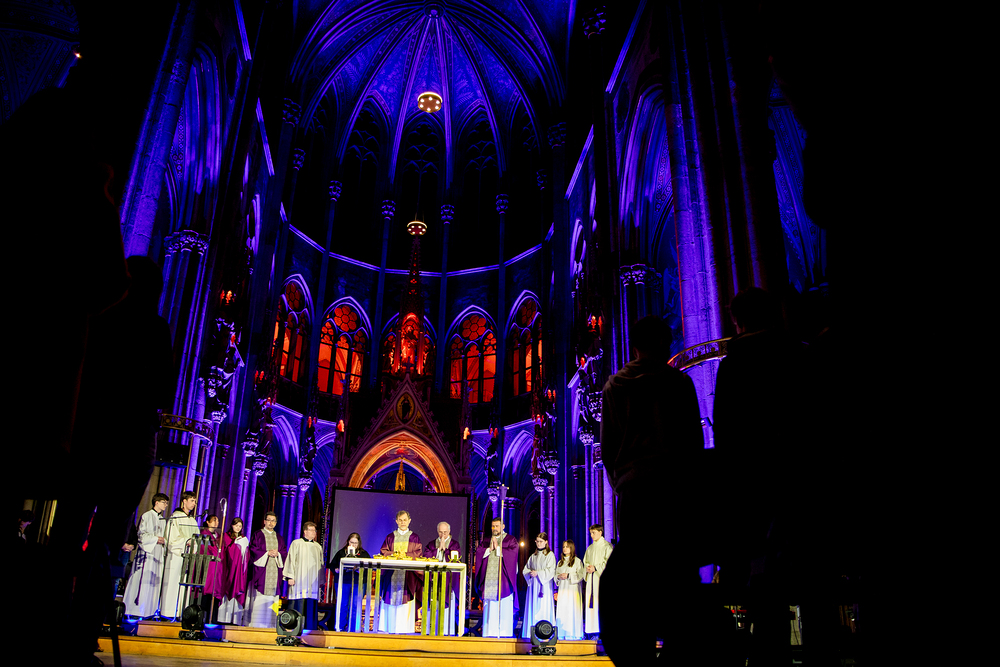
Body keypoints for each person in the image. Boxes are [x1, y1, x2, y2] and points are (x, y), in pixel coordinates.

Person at [123, 493, 168, 618]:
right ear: (156, 502)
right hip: (147, 553)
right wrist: (156, 539)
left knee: (154, 583)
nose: (166, 505)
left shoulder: (163, 520)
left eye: (166, 503)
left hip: (157, 554)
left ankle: (150, 610)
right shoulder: (147, 516)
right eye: (164, 502)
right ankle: (136, 610)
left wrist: (163, 540)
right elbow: (141, 535)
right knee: (142, 581)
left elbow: (165, 538)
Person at [378, 510, 422, 633]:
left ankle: (405, 628)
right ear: (396, 521)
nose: (403, 522)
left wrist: (404, 555)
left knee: (406, 600)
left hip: (407, 575)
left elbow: (418, 553)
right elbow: (383, 551)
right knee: (390, 598)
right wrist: (396, 554)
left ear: (409, 521)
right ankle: (389, 628)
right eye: (400, 520)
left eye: (405, 520)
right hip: (392, 575)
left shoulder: (414, 537)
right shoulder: (390, 537)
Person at [475, 518, 518, 637]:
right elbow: (479, 551)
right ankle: (489, 632)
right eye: (493, 526)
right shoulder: (486, 540)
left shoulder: (510, 539)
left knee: (503, 607)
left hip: (503, 581)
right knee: (490, 607)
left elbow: (513, 553)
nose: (494, 528)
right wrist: (489, 549)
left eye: (497, 526)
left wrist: (499, 548)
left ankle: (504, 634)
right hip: (489, 580)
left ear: (503, 526)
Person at [160, 491, 200, 620]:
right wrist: (185, 541)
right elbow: (171, 538)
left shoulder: (192, 520)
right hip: (176, 555)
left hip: (187, 556)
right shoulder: (176, 517)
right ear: (184, 501)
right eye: (192, 500)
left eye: (195, 501)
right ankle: (168, 613)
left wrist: (193, 545)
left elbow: (197, 538)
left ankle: (180, 613)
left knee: (183, 585)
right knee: (173, 583)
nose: (194, 503)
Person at [247, 512, 287, 628]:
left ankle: (270, 626)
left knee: (273, 599)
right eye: (269, 520)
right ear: (264, 521)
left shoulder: (279, 537)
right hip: (262, 572)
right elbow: (253, 549)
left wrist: (278, 554)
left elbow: (284, 552)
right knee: (259, 599)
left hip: (274, 572)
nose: (271, 523)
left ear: (276, 523)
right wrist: (266, 553)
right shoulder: (258, 534)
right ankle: (256, 625)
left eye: (273, 521)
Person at [423, 521, 462, 635]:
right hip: (434, 579)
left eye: (445, 532)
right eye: (440, 532)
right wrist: (438, 550)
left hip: (448, 581)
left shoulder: (455, 544)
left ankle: (447, 631)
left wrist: (445, 550)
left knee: (447, 606)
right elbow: (426, 557)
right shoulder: (431, 544)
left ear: (449, 531)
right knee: (433, 604)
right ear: (437, 531)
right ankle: (432, 631)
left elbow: (456, 559)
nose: (443, 535)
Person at [284, 522, 325, 630]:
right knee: (298, 604)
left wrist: (321, 580)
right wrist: (290, 576)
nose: (314, 533)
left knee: (310, 605)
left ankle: (310, 630)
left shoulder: (318, 547)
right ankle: (294, 628)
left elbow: (321, 564)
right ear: (305, 531)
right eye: (311, 530)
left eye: (315, 531)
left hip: (312, 583)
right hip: (299, 581)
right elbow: (291, 560)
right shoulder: (296, 543)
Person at [330, 532, 371, 631]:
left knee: (355, 606)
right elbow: (332, 565)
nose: (353, 545)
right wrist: (336, 570)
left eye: (355, 543)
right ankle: (340, 627)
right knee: (343, 605)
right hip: (343, 582)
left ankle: (353, 628)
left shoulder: (364, 554)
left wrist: (361, 570)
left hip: (358, 583)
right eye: (351, 542)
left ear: (359, 543)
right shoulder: (341, 553)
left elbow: (369, 567)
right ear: (348, 542)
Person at [521, 532, 555, 638]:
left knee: (543, 607)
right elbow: (525, 569)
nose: (539, 543)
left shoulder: (550, 555)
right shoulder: (533, 556)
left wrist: (538, 573)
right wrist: (530, 573)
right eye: (537, 541)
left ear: (546, 542)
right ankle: (531, 634)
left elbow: (551, 570)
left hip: (544, 586)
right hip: (533, 586)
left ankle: (545, 633)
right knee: (533, 607)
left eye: (541, 541)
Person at [582, 524, 612, 638]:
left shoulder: (607, 546)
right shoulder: (590, 548)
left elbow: (608, 563)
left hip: (601, 579)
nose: (591, 535)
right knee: (592, 605)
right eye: (590, 533)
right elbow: (585, 562)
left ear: (600, 532)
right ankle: (592, 631)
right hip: (591, 580)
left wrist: (596, 568)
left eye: (593, 533)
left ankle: (602, 631)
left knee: (601, 604)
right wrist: (588, 568)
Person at [219, 517, 250, 625]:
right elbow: (226, 551)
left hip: (239, 569)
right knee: (228, 588)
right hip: (229, 569)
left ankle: (235, 620)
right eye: (236, 525)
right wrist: (235, 545)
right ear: (232, 525)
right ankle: (223, 618)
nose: (238, 528)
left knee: (238, 589)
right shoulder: (226, 536)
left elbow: (246, 555)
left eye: (240, 526)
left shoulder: (244, 538)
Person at [555, 540, 585, 640]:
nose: (564, 549)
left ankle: (574, 634)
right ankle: (561, 634)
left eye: (567, 547)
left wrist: (568, 576)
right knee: (563, 611)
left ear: (571, 548)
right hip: (563, 590)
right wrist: (558, 577)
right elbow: (555, 576)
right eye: (563, 547)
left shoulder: (577, 561)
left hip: (573, 591)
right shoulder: (560, 562)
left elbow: (581, 575)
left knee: (572, 611)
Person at [199, 515, 224, 621]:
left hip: (217, 567)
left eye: (217, 521)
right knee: (207, 590)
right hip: (209, 566)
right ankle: (203, 618)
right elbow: (204, 549)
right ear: (208, 522)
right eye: (214, 520)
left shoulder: (218, 536)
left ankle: (213, 618)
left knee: (215, 591)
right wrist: (215, 554)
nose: (216, 523)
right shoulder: (204, 534)